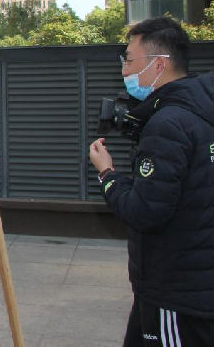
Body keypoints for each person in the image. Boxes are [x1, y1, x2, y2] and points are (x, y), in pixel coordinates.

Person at [89, 17, 213, 346]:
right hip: (194, 280)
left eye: (130, 61)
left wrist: (107, 174)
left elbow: (145, 211)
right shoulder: (201, 111)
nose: (125, 71)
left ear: (159, 64)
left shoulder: (169, 123)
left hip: (177, 291)